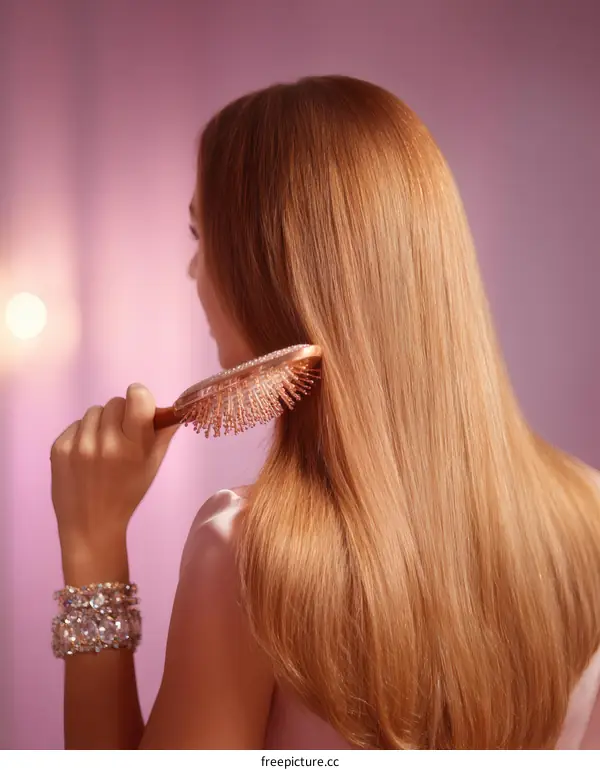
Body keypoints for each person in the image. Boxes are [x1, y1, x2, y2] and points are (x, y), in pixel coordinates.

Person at [49, 75, 600, 750]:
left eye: (204, 235)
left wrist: (92, 548)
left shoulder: (249, 555)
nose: (195, 271)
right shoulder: (590, 513)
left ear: (271, 264)